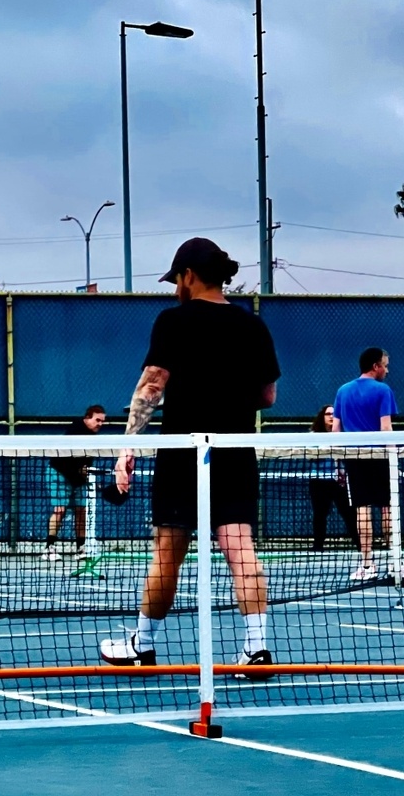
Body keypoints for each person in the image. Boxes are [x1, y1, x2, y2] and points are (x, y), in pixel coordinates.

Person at [99, 238, 281, 677]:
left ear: (189, 276)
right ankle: (256, 649)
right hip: (235, 451)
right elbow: (268, 396)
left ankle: (142, 646)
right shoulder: (252, 326)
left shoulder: (173, 322)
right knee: (242, 550)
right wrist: (226, 400)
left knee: (167, 552)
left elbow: (152, 385)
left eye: (176, 278)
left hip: (182, 452)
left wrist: (127, 449)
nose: (175, 287)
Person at [332, 348, 404, 580]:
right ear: (375, 366)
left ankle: (367, 565)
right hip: (379, 456)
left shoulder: (342, 391)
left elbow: (335, 432)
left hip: (354, 458)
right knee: (388, 508)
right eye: (385, 365)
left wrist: (338, 464)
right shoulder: (383, 390)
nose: (387, 369)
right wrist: (393, 457)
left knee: (362, 510)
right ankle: (395, 563)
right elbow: (386, 429)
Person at [43, 404, 106, 561]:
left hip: (77, 479)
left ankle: (81, 548)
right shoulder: (75, 430)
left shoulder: (93, 438)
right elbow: (67, 459)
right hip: (59, 474)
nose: (100, 424)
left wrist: (87, 475)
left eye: (102, 421)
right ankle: (49, 548)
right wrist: (80, 470)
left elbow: (86, 463)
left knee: (81, 511)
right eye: (97, 420)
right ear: (87, 418)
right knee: (60, 510)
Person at [308, 404, 356, 552]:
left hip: (339, 482)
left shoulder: (344, 434)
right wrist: (326, 448)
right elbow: (310, 456)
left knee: (349, 514)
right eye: (328, 414)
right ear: (322, 417)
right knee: (319, 515)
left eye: (333, 414)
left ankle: (361, 545)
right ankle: (318, 546)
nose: (331, 416)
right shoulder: (314, 435)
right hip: (319, 481)